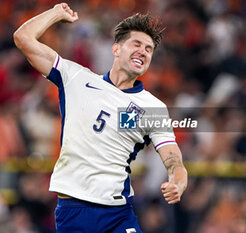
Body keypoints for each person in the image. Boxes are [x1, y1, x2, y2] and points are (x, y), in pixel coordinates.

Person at [13, 3, 188, 233]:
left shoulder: (152, 107)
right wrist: (56, 13)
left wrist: (177, 182)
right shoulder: (76, 77)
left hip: (118, 213)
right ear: (116, 49)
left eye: (149, 49)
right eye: (136, 44)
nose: (143, 51)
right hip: (74, 209)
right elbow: (23, 38)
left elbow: (174, 159)